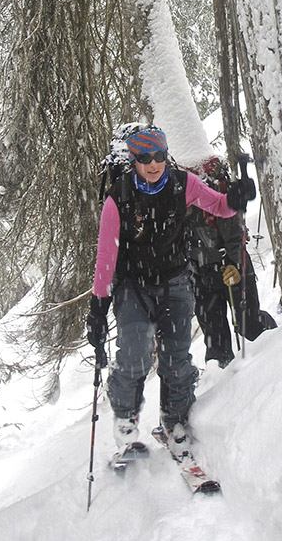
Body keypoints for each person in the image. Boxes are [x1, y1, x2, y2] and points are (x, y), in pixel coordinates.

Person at [85, 126, 254, 457]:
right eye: (145, 158)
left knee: (177, 359)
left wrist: (236, 199)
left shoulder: (183, 183)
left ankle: (175, 421)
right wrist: (98, 308)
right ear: (134, 160)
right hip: (133, 287)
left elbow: (219, 206)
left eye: (159, 156)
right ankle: (126, 424)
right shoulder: (118, 197)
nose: (153, 164)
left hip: (176, 282)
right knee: (133, 354)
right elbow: (106, 257)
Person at [187, 156, 277, 368]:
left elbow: (233, 230)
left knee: (250, 327)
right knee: (217, 345)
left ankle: (277, 343)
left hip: (230, 265)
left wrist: (234, 264)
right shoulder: (171, 193)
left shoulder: (210, 188)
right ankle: (225, 390)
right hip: (201, 274)